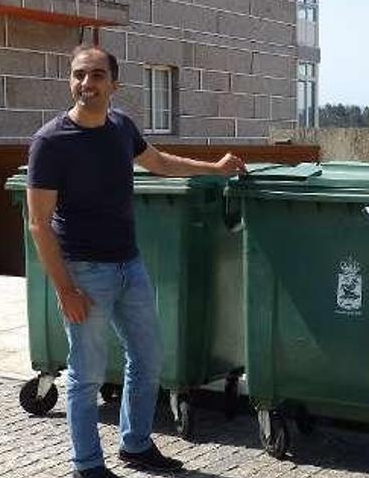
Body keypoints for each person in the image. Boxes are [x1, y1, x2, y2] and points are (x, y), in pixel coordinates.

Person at [26, 44, 247, 478]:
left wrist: (216, 168)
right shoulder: (51, 142)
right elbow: (38, 224)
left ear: (114, 84)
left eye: (95, 76)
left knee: (148, 359)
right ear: (71, 80)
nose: (86, 84)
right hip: (85, 273)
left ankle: (136, 445)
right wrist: (65, 289)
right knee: (86, 375)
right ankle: (87, 466)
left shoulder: (122, 127)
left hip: (130, 265)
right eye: (78, 75)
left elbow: (159, 161)